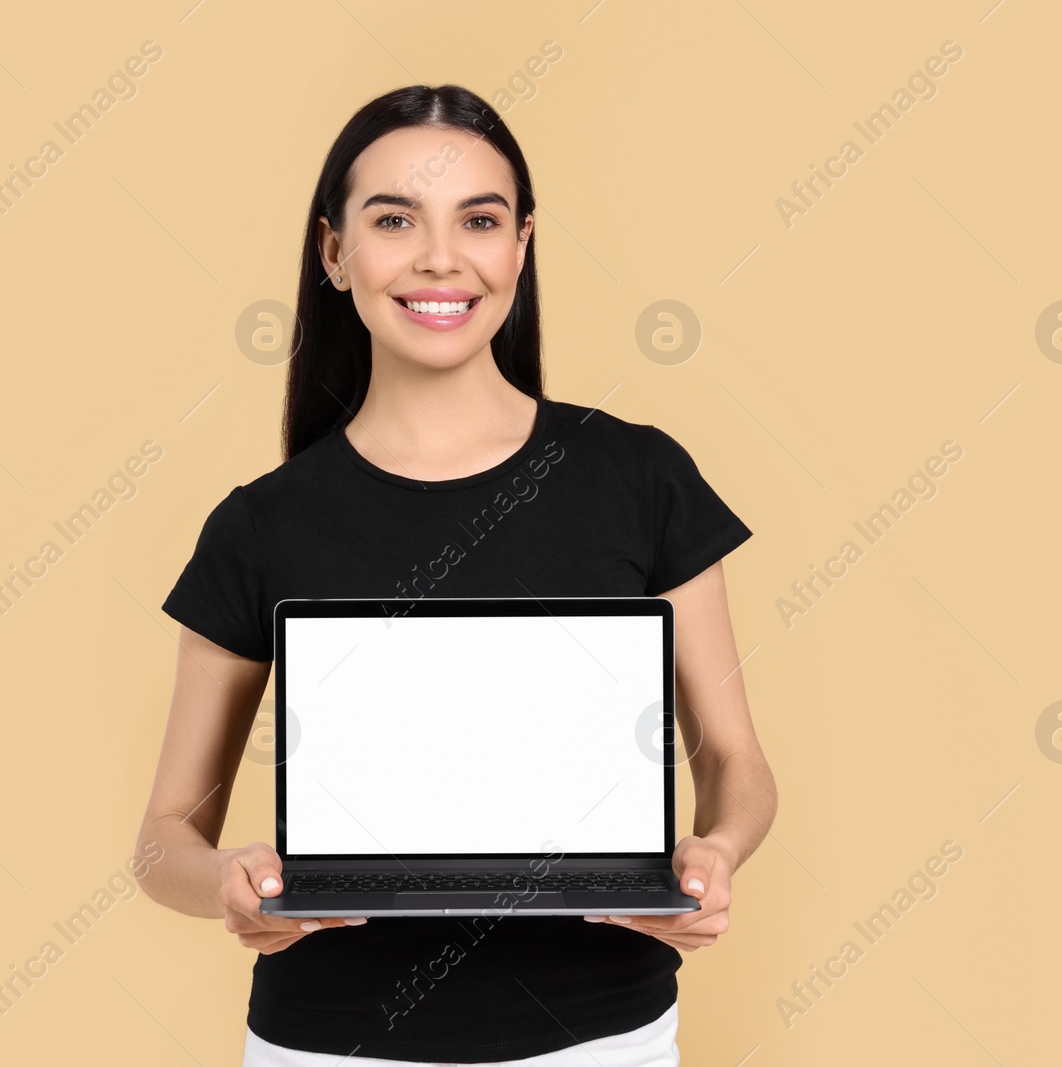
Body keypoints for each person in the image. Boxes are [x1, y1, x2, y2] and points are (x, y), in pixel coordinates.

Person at [131, 83, 778, 1066]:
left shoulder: (638, 476)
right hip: (329, 1044)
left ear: (520, 244)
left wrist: (715, 850)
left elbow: (734, 759)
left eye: (478, 219)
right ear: (334, 252)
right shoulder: (259, 524)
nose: (441, 256)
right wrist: (225, 877)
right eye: (394, 219)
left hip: (602, 1034)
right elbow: (163, 836)